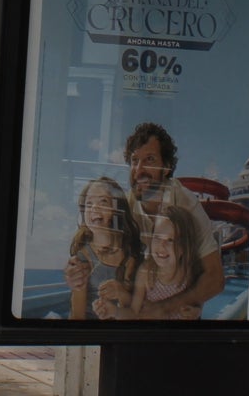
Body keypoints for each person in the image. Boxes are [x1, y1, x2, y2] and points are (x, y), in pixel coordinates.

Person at [65, 122, 223, 319]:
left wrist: (165, 309)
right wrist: (75, 270)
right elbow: (98, 236)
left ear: (166, 167)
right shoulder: (128, 205)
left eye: (149, 159)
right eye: (134, 161)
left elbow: (215, 278)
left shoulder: (185, 204)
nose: (139, 170)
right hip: (143, 302)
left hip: (179, 307)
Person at [98, 205, 202, 320]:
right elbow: (134, 313)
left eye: (170, 240)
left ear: (184, 246)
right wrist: (114, 312)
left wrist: (195, 312)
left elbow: (198, 305)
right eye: (157, 238)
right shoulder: (145, 272)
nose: (161, 246)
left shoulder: (189, 274)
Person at [68, 177, 143, 320]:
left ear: (116, 209)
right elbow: (77, 315)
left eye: (103, 201)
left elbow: (136, 309)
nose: (94, 208)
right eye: (89, 204)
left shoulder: (130, 253)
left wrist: (121, 294)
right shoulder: (83, 258)